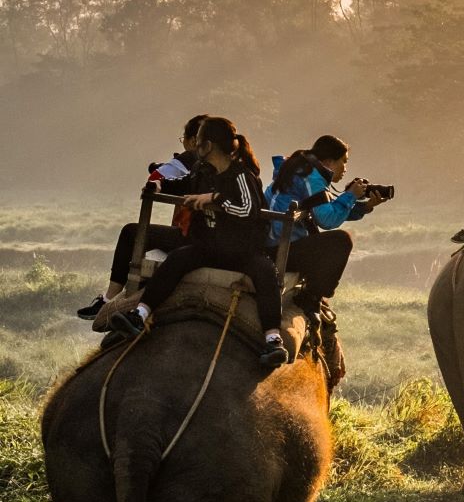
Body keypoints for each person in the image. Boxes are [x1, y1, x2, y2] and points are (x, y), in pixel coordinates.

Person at [108, 116, 289, 369]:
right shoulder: (202, 171)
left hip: (242, 251)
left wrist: (214, 199)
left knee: (266, 272)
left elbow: (248, 209)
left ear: (208, 145)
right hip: (209, 245)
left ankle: (272, 338)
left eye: (199, 141)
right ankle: (140, 314)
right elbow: (183, 185)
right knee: (177, 259)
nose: (194, 146)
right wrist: (159, 185)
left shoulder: (241, 176)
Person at [76, 113, 212, 319]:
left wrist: (160, 170)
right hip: (222, 240)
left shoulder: (194, 163)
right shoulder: (238, 167)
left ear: (195, 141)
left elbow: (156, 178)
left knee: (131, 232)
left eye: (184, 139)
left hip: (195, 237)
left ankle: (108, 299)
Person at [266, 135, 386, 324]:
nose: (345, 168)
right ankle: (311, 296)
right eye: (343, 162)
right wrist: (350, 195)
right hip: (280, 248)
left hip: (276, 242)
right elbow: (327, 220)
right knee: (342, 241)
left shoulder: (301, 169)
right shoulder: (311, 178)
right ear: (329, 161)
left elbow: (328, 210)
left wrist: (365, 205)